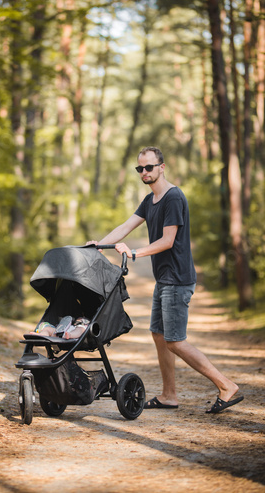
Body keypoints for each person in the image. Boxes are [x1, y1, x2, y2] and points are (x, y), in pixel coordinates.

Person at [87, 146, 243, 414]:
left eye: (149, 167)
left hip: (177, 279)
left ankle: (226, 385)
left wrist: (133, 252)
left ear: (162, 167)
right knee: (159, 335)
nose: (144, 172)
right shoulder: (150, 201)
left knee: (174, 340)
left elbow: (168, 241)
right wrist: (100, 245)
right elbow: (126, 226)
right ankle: (169, 395)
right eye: (140, 169)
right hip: (164, 279)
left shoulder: (173, 198)